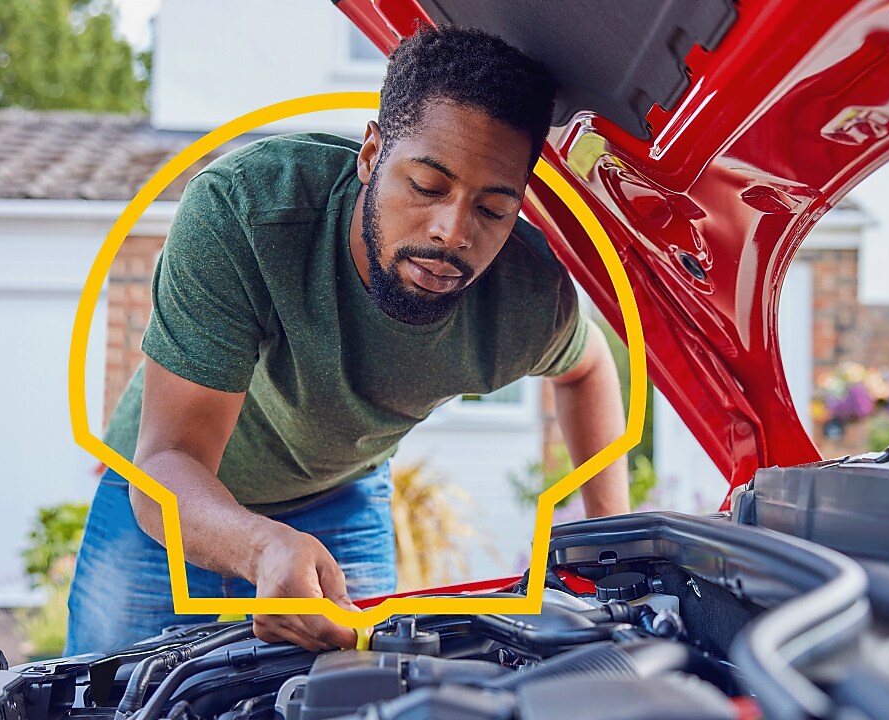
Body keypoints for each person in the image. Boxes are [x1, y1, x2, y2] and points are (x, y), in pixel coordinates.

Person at [66, 25, 629, 656]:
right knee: (110, 689)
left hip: (340, 494)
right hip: (170, 489)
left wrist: (609, 544)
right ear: (371, 154)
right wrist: (260, 546)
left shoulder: (525, 298)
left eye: (493, 209)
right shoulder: (244, 214)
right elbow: (171, 455)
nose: (452, 233)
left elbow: (587, 367)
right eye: (427, 186)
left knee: (356, 686)